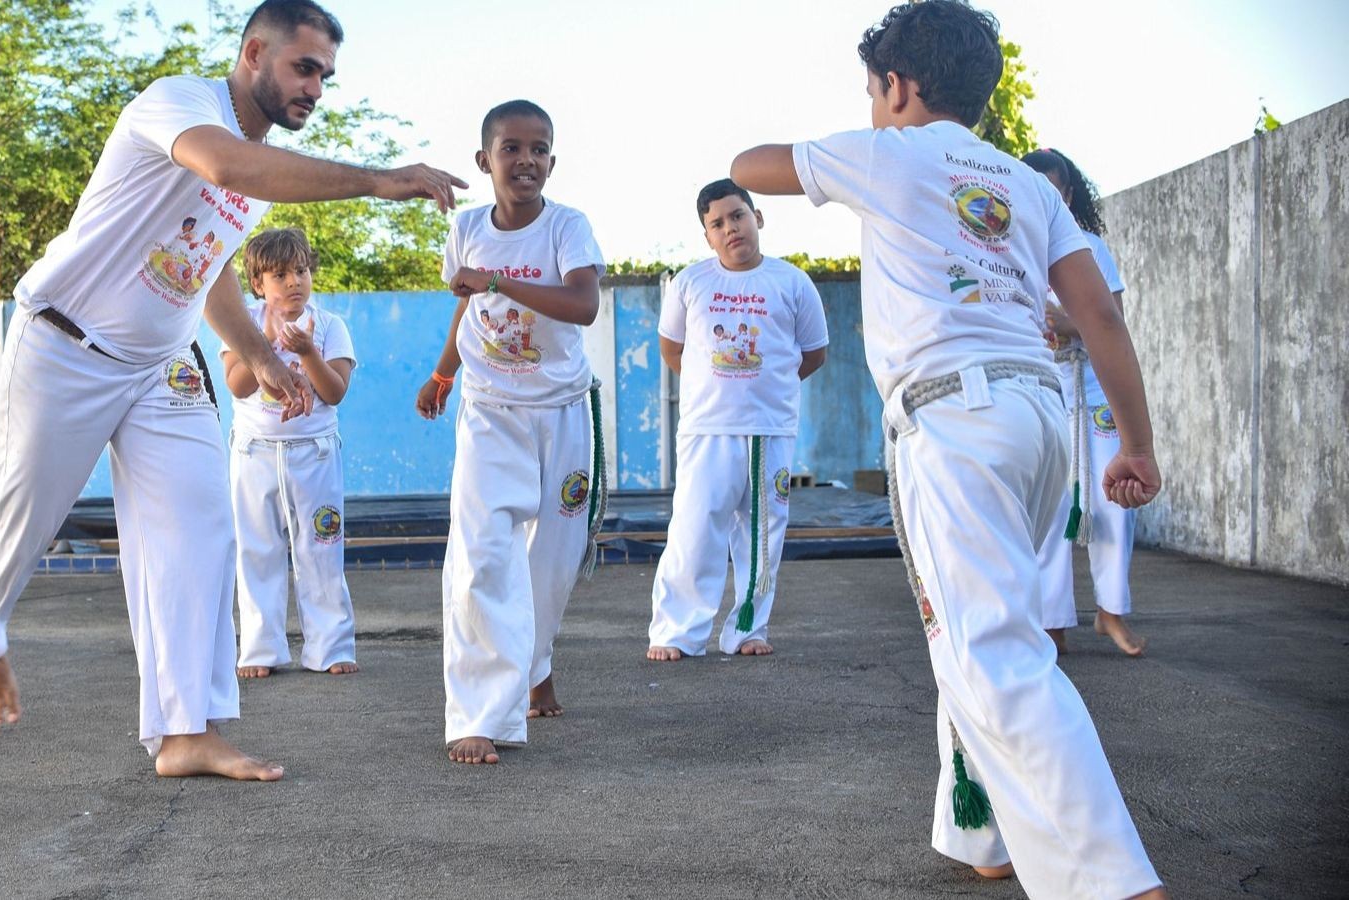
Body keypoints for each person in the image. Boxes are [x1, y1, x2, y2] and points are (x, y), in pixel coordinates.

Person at [0, 0, 465, 781]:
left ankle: (187, 732)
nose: (315, 87)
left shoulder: (262, 174)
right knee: (25, 514)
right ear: (253, 54)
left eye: (326, 77)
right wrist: (379, 181)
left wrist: (257, 354)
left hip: (161, 363)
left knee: (201, 531)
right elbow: (227, 165)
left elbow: (203, 271)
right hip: (67, 342)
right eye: (303, 67)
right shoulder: (181, 102)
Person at [730, 2, 1168, 896]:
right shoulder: (1031, 185)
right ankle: (980, 832)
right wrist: (1136, 444)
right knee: (970, 626)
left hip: (956, 418)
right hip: (1038, 418)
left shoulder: (888, 150)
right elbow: (1101, 314)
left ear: (897, 84)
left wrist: (865, 138)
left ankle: (1114, 882)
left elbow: (747, 169)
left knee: (993, 647)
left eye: (874, 88)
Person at [414, 100, 606, 765]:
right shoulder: (466, 226)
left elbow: (583, 305)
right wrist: (443, 376)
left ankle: (534, 664)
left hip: (561, 413)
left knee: (550, 563)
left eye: (539, 149)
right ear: (484, 160)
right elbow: (466, 308)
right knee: (481, 556)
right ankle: (478, 715)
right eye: (511, 148)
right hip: (489, 409)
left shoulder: (567, 228)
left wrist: (499, 279)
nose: (526, 160)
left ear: (552, 160)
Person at [646, 179, 828, 662]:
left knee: (762, 532)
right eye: (717, 223)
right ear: (707, 235)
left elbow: (813, 353)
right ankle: (677, 633)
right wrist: (715, 387)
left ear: (758, 218)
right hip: (707, 429)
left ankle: (748, 629)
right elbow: (672, 348)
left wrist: (767, 388)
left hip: (770, 429)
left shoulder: (792, 282)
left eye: (738, 216)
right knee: (694, 527)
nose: (731, 229)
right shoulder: (691, 283)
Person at [221, 227, 359, 680]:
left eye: (301, 271)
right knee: (257, 549)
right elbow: (238, 384)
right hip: (256, 452)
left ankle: (330, 645)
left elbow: (334, 392)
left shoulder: (330, 326)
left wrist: (307, 352)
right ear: (258, 284)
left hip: (314, 454)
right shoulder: (242, 323)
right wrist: (261, 345)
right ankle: (261, 647)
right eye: (280, 275)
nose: (294, 282)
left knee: (321, 548)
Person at [1024, 148, 1146, 658]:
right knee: (1050, 508)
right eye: (1039, 190)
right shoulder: (1012, 246)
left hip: (1093, 391)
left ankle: (1110, 612)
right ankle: (1053, 622)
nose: (1050, 198)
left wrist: (1066, 323)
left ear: (1069, 194)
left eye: (1058, 189)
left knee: (1112, 502)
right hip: (1043, 389)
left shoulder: (1090, 246)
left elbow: (1110, 317)